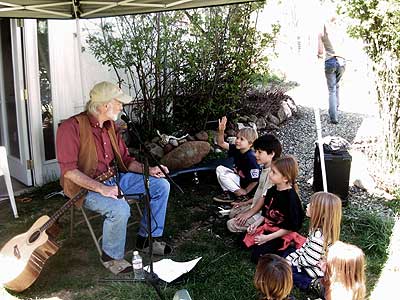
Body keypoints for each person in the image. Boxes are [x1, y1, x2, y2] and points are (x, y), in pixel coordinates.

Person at [56, 81, 171, 274]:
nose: (121, 107)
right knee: (119, 207)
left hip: (115, 180)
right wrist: (102, 189)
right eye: (119, 103)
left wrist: (148, 170)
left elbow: (126, 160)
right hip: (85, 187)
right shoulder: (70, 128)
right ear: (105, 105)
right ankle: (111, 256)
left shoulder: (110, 127)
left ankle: (146, 238)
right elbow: (69, 171)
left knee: (161, 186)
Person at [243, 156, 306, 263]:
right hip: (269, 227)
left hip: (282, 232)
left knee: (258, 257)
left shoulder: (291, 199)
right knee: (242, 242)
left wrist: (267, 238)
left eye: (274, 172)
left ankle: (288, 245)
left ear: (285, 178)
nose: (270, 174)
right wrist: (255, 225)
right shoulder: (272, 190)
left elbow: (291, 226)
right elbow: (266, 212)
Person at [286, 192, 342, 296]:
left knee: (288, 273)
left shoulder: (318, 236)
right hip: (313, 261)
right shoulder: (318, 230)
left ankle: (314, 284)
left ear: (321, 213)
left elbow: (309, 260)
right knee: (287, 255)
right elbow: (305, 248)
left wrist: (292, 262)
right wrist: (292, 257)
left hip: (315, 270)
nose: (307, 205)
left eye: (311, 204)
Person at [227, 133, 282, 233]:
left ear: (272, 154)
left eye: (259, 152)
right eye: (255, 151)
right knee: (233, 213)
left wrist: (247, 214)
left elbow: (265, 199)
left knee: (231, 224)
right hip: (256, 206)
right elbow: (259, 194)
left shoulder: (274, 174)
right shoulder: (265, 168)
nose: (256, 155)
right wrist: (245, 203)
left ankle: (259, 227)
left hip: (264, 213)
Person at [213, 116, 260, 203]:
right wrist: (221, 130)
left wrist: (246, 191)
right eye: (237, 138)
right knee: (219, 169)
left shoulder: (251, 158)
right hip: (239, 179)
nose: (237, 141)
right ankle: (228, 194)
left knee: (223, 176)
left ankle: (242, 196)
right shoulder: (237, 148)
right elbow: (221, 143)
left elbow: (256, 180)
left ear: (250, 144)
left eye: (242, 139)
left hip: (246, 185)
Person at [318, 13, 346, 124]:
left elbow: (320, 51)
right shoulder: (340, 30)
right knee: (336, 85)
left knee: (332, 90)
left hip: (330, 61)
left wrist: (319, 57)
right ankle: (335, 108)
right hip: (342, 62)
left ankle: (333, 117)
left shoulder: (322, 32)